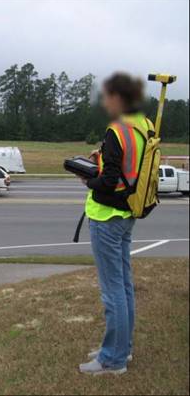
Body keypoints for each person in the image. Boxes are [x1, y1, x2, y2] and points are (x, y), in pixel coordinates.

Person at [79, 72, 154, 375]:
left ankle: (113, 359)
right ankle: (123, 348)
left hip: (107, 216)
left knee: (113, 291)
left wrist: (88, 179)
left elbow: (109, 181)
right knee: (123, 287)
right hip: (128, 213)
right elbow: (129, 167)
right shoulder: (144, 125)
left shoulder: (117, 131)